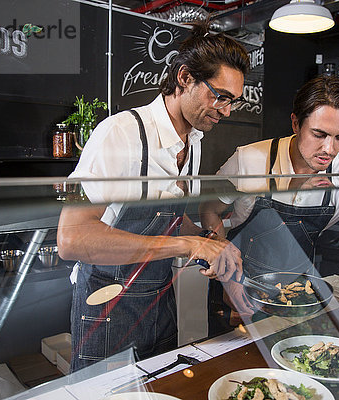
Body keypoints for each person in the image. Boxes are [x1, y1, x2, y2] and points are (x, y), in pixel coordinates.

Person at [57, 21, 248, 372]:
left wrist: (209, 239)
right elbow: (72, 239)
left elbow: (170, 218)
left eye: (232, 101)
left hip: (160, 301)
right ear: (185, 77)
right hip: (107, 305)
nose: (226, 110)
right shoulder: (119, 133)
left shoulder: (193, 142)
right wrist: (188, 246)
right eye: (219, 95)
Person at [199, 75, 339, 357]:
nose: (329, 150)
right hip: (236, 291)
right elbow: (209, 209)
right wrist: (228, 276)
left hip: (296, 300)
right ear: (296, 123)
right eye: (319, 135)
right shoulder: (249, 160)